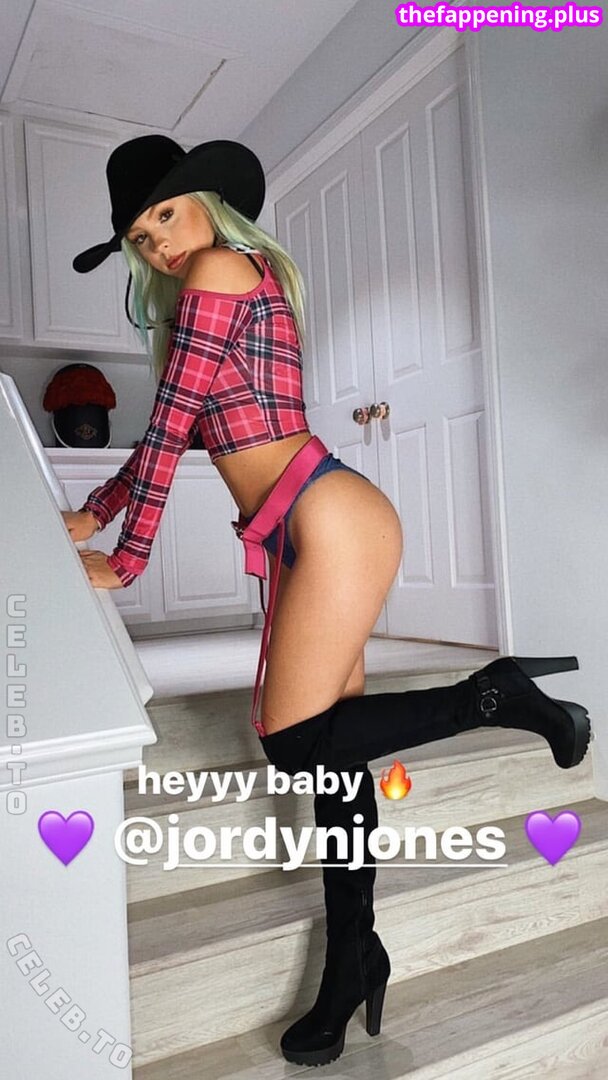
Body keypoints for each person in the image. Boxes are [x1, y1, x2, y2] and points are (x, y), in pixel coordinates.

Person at [62, 135, 592, 1069]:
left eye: (165, 216)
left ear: (208, 203)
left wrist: (128, 551)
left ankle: (496, 694)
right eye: (141, 237)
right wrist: (97, 511)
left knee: (295, 740)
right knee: (337, 763)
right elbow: (172, 429)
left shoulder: (221, 267)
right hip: (299, 527)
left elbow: (173, 421)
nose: (159, 243)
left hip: (331, 517)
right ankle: (354, 959)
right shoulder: (211, 288)